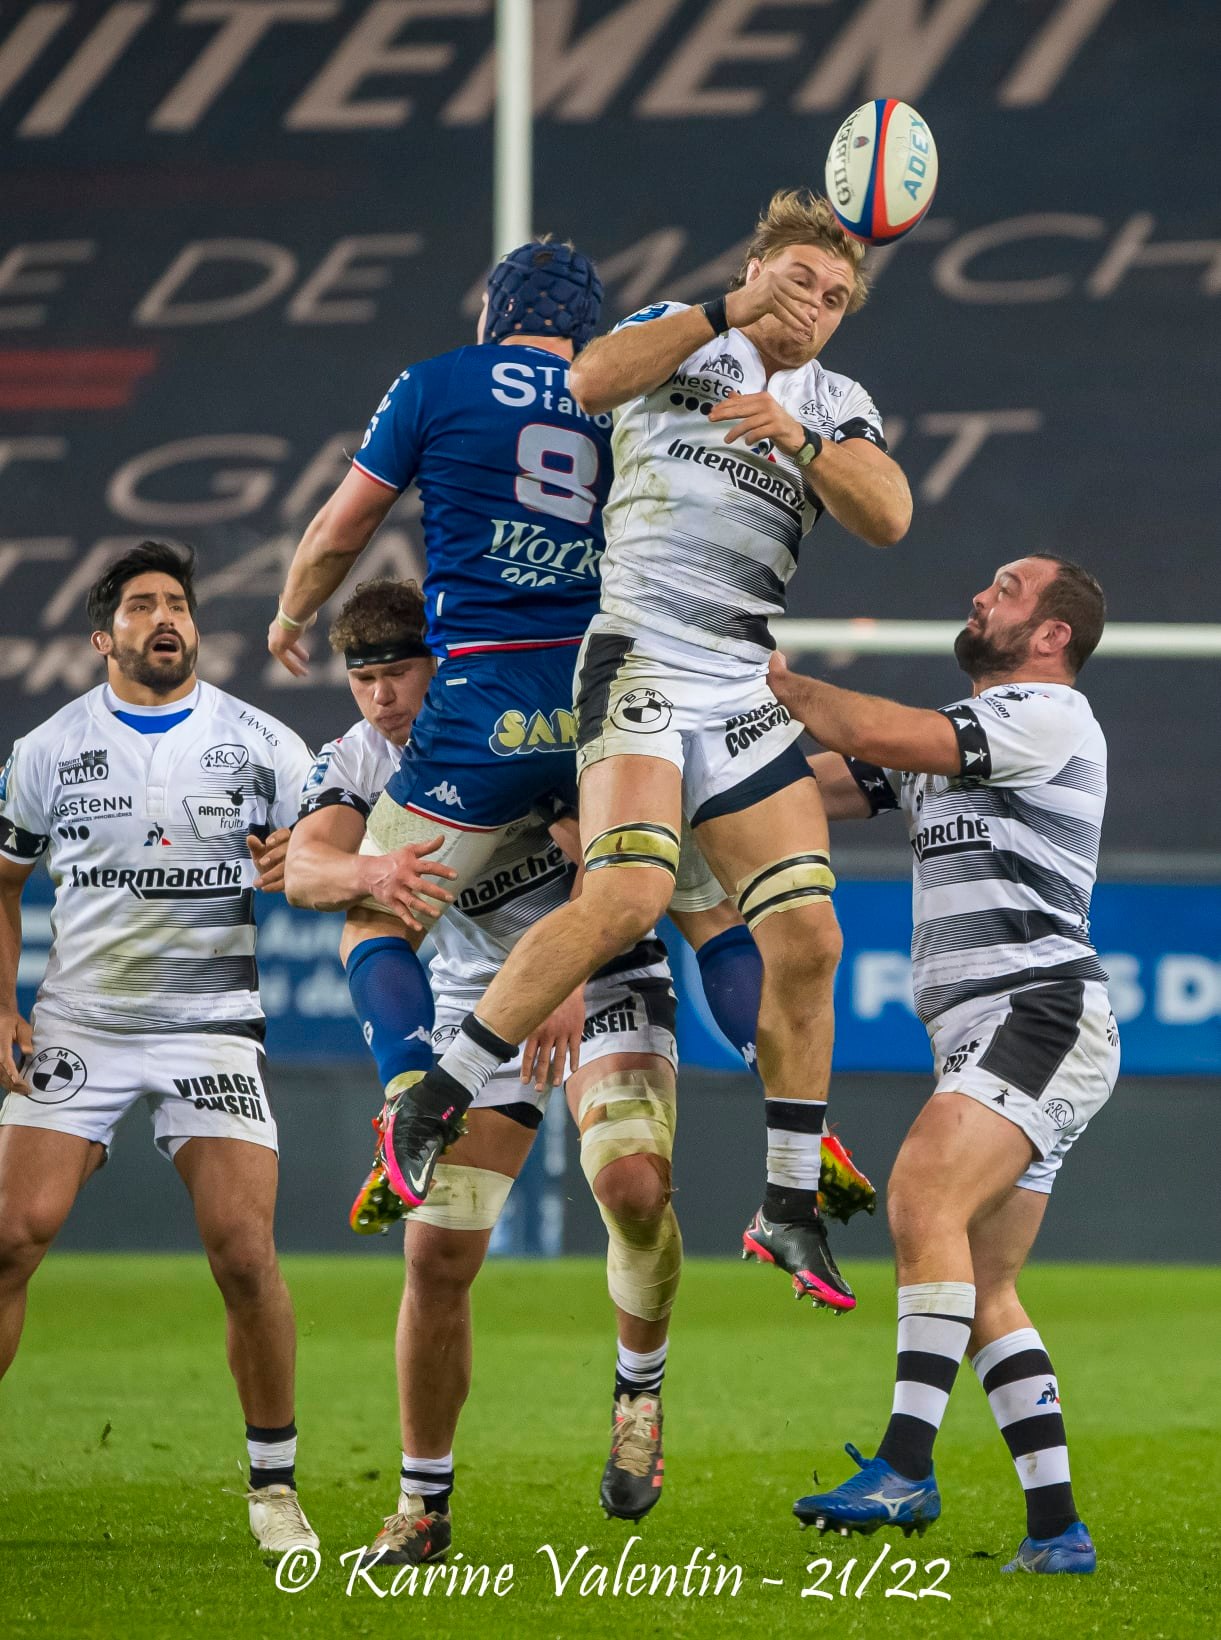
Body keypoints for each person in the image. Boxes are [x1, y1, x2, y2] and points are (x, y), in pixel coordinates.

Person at [398, 190, 912, 1312]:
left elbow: (890, 513)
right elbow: (589, 379)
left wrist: (806, 438)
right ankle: (440, 1092)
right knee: (629, 894)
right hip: (637, 655)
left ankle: (786, 1205)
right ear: (759, 266)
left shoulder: (837, 400)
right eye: (796, 280)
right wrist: (725, 306)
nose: (813, 305)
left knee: (810, 935)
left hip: (736, 678)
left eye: (833, 297)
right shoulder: (691, 328)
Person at [285, 580, 681, 1564]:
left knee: (631, 1185)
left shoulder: (528, 705)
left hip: (603, 967)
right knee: (437, 1255)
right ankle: (424, 1506)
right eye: (365, 677)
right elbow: (306, 868)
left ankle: (640, 1390)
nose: (383, 698)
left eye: (399, 672)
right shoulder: (362, 754)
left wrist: (562, 967)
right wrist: (367, 871)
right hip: (471, 1000)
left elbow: (605, 839)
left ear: (446, 659)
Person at [772, 554, 1112, 1575]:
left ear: (1053, 633)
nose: (980, 593)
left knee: (923, 1192)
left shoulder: (1047, 718)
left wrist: (779, 681)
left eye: (1007, 588)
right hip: (991, 1028)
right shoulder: (958, 739)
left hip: (1038, 1011)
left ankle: (904, 1466)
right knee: (987, 1288)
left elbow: (874, 732)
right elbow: (808, 786)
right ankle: (1056, 1529)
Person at [266, 239, 617, 1223]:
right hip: (600, 701)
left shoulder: (436, 382)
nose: (378, 693)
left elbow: (343, 527)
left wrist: (293, 616)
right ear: (581, 325)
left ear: (492, 314)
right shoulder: (616, 395)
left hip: (486, 704)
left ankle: (410, 1088)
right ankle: (796, 1134)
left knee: (379, 913)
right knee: (716, 895)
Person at [0, 542, 318, 1555]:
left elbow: (330, 856)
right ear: (103, 637)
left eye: (176, 602)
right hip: (80, 1022)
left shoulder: (264, 742)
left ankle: (273, 1487)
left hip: (209, 1028)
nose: (164, 617)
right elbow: (0, 882)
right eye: (141, 606)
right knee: (10, 1235)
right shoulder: (48, 749)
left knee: (244, 1250)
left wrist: (296, 858)